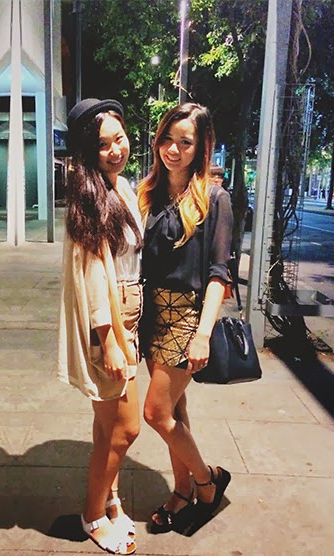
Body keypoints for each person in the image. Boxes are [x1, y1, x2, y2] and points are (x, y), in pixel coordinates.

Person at [137, 103, 233, 534]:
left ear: (201, 147)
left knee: (156, 413)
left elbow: (218, 274)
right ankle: (180, 490)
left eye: (185, 142)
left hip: (186, 316)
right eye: (167, 139)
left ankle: (207, 482)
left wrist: (203, 334)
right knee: (175, 407)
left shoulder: (214, 198)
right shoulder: (148, 193)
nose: (173, 149)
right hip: (151, 313)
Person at [58, 99, 143, 555]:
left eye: (119, 139)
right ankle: (92, 514)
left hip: (129, 317)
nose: (115, 150)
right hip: (110, 325)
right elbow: (92, 275)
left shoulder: (122, 187)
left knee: (106, 426)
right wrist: (110, 340)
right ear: (88, 152)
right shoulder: (90, 198)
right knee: (126, 429)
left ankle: (111, 500)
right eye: (103, 145)